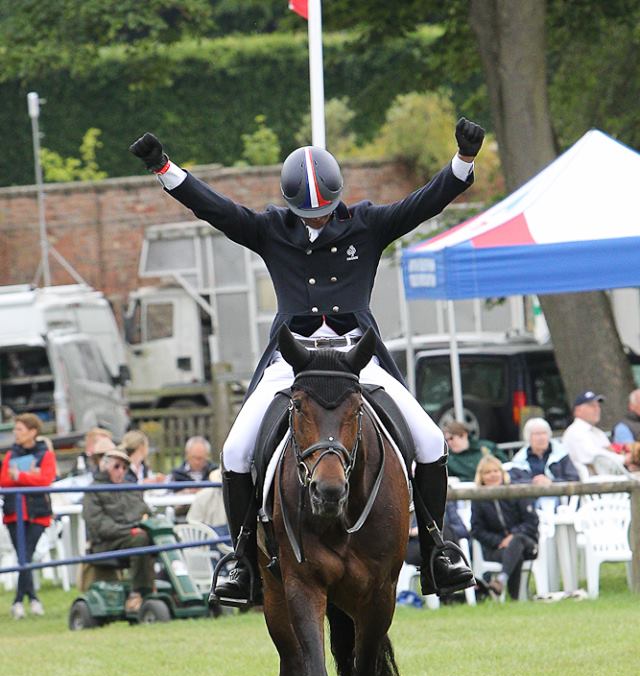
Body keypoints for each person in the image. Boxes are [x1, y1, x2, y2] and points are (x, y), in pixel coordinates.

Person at [129, 117, 486, 603]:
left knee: (430, 442)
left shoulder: (367, 223)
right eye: (307, 213)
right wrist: (164, 168)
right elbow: (216, 209)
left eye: (323, 212)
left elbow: (422, 203)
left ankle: (437, 553)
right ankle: (242, 561)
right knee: (235, 452)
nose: (315, 219)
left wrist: (462, 161)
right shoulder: (272, 229)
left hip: (358, 358)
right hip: (292, 360)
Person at [82, 448, 154, 613]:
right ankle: (138, 593)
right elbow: (99, 526)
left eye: (124, 468)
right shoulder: (93, 491)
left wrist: (148, 522)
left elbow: (146, 512)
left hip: (130, 536)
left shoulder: (130, 488)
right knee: (140, 540)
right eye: (117, 466)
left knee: (165, 537)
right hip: (106, 543)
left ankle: (181, 588)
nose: (121, 471)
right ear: (104, 467)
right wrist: (130, 530)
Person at [0, 413, 57, 618]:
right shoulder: (10, 454)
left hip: (37, 513)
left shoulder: (45, 454)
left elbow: (45, 479)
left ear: (33, 432)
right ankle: (32, 599)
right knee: (24, 557)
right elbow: (4, 481)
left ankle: (18, 601)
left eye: (20, 430)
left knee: (26, 555)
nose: (16, 434)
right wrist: (30, 476)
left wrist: (21, 476)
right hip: (14, 513)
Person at [470, 454, 539, 600]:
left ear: (502, 473)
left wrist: (512, 536)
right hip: (496, 548)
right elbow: (477, 529)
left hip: (527, 543)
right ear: (481, 476)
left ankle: (501, 581)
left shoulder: (515, 491)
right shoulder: (478, 499)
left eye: (496, 471)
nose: (493, 475)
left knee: (517, 541)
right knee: (515, 553)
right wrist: (498, 541)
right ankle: (515, 598)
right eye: (487, 472)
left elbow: (531, 521)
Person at [561, 390, 626, 478]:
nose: (597, 409)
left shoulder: (598, 432)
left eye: (598, 406)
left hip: (610, 479)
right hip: (589, 485)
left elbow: (610, 453)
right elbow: (596, 457)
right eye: (591, 406)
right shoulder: (575, 432)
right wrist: (625, 459)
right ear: (578, 411)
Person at [507, 417, 579, 487]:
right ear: (528, 437)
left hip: (560, 497)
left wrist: (551, 482)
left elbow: (573, 478)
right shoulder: (519, 460)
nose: (541, 438)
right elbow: (513, 482)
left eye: (544, 433)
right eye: (537, 434)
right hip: (531, 497)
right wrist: (533, 483)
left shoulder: (561, 454)